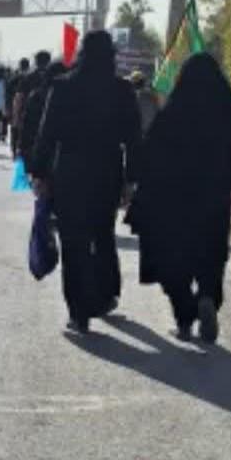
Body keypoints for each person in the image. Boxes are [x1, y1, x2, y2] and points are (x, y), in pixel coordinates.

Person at [127, 54, 231, 343]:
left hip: (173, 197)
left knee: (173, 254)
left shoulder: (174, 109)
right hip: (213, 193)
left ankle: (185, 313)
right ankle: (207, 296)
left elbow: (151, 150)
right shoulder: (226, 109)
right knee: (211, 252)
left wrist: (137, 183)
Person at [32, 31, 142, 334]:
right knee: (103, 235)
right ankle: (105, 296)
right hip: (107, 172)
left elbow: (46, 133)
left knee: (73, 242)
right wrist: (131, 179)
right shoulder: (122, 90)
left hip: (69, 172)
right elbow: (134, 138)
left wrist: (39, 173)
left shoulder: (63, 87)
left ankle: (79, 312)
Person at [19, 62, 68, 180]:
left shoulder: (36, 96)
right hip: (62, 157)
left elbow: (26, 128)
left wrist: (23, 153)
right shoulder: (69, 97)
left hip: (37, 152)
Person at [13, 51, 52, 158]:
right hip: (49, 116)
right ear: (49, 61)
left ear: (36, 62)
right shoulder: (54, 77)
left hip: (30, 116)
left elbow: (19, 98)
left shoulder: (27, 78)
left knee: (28, 145)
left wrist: (17, 117)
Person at [6, 58, 32, 152]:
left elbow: (8, 95)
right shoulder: (31, 78)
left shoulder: (14, 79)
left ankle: (14, 149)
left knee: (15, 130)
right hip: (28, 108)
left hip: (15, 108)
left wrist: (8, 109)